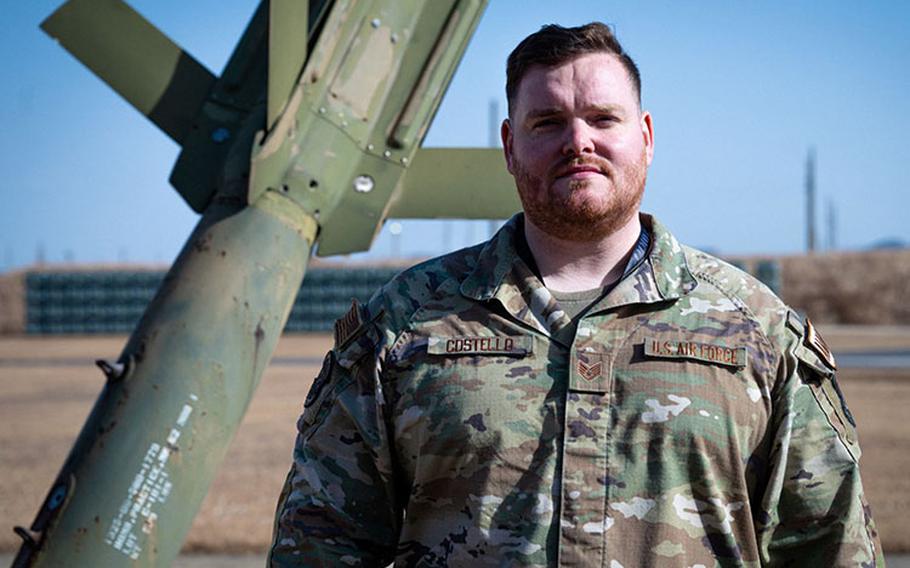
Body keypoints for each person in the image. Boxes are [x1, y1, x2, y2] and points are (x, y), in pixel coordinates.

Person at [269, 22, 882, 567]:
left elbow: (828, 545)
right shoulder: (405, 324)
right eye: (549, 123)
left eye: (603, 119)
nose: (578, 141)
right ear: (510, 146)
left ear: (644, 136)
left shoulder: (755, 329)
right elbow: (322, 544)